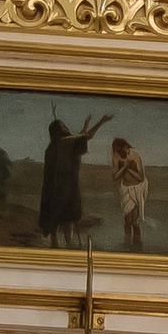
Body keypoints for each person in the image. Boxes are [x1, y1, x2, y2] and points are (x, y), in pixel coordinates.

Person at [37, 108, 108, 246]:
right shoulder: (65, 143)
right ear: (59, 130)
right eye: (63, 126)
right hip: (66, 186)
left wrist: (86, 124)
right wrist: (101, 122)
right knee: (67, 215)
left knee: (56, 215)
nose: (66, 127)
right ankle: (67, 244)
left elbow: (80, 136)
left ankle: (55, 243)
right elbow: (85, 136)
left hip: (52, 187)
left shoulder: (51, 147)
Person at [108, 135, 148, 251]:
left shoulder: (135, 156)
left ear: (126, 147)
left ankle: (137, 246)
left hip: (137, 188)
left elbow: (140, 178)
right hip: (125, 188)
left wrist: (128, 168)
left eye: (122, 150)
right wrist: (124, 167)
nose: (120, 153)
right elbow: (115, 176)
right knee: (127, 221)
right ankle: (126, 246)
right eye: (118, 151)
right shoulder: (116, 156)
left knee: (134, 222)